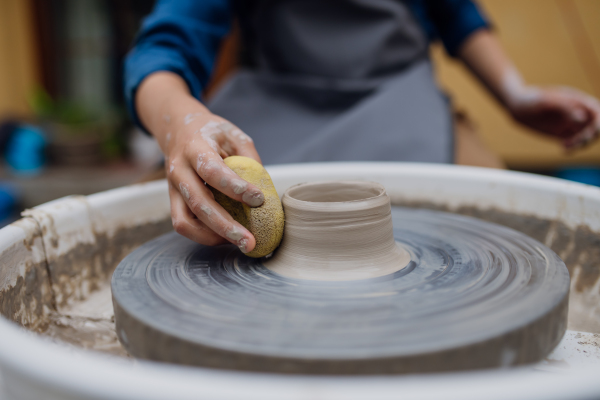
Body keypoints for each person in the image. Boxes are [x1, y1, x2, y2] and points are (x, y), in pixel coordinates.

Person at [125, 0, 600, 254]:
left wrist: (514, 95)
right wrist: (182, 125)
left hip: (400, 98)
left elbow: (456, 15)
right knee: (153, 230)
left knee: (504, 229)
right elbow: (163, 47)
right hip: (280, 101)